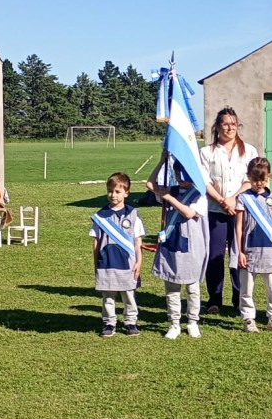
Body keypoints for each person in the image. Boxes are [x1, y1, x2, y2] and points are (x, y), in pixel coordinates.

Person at [199, 107, 258, 314]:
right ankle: (214, 299)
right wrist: (222, 200)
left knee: (239, 254)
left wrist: (233, 199)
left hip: (241, 210)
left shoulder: (249, 151)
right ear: (217, 126)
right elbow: (204, 181)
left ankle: (239, 297)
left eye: (233, 123)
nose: (230, 127)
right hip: (215, 210)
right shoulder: (206, 152)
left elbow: (251, 180)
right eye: (225, 123)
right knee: (214, 256)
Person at [147, 152, 209, 339]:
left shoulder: (200, 194)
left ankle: (192, 321)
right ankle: (174, 323)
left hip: (192, 245)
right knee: (172, 286)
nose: (182, 178)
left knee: (192, 287)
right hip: (172, 242)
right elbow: (150, 185)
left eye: (185, 174)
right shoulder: (170, 190)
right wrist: (162, 160)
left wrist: (169, 199)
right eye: (178, 173)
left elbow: (189, 213)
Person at [234, 157, 272, 333]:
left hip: (271, 250)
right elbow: (239, 226)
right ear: (249, 177)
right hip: (250, 250)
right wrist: (240, 251)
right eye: (255, 179)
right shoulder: (243, 198)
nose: (259, 183)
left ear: (268, 178)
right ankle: (248, 318)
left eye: (263, 180)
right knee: (247, 288)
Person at [90, 172, 144, 338]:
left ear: (126, 193)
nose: (113, 195)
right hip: (106, 262)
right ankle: (109, 322)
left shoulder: (133, 215)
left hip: (127, 263)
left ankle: (130, 321)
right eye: (110, 191)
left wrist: (139, 262)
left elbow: (138, 241)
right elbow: (96, 242)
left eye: (117, 191)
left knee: (128, 294)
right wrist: (96, 262)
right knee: (108, 295)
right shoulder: (101, 216)